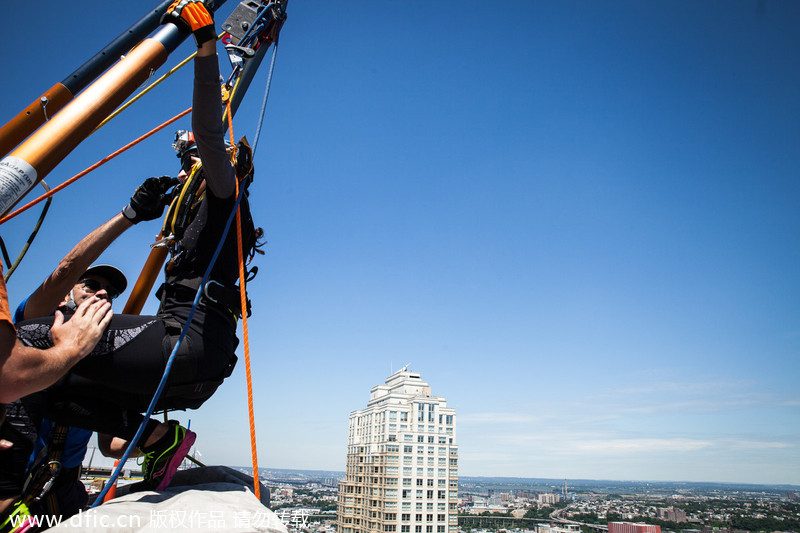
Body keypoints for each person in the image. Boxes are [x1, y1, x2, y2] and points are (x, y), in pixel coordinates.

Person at [9, 0, 258, 496]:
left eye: (197, 155)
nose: (188, 151)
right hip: (191, 353)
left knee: (33, 337)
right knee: (48, 383)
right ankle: (162, 440)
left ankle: (4, 492)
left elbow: (210, 130)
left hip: (186, 341)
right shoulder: (199, 214)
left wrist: (206, 46)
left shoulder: (226, 193)